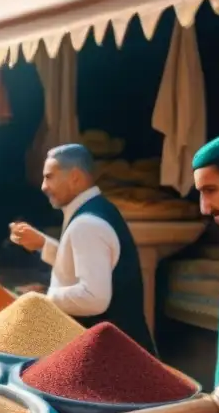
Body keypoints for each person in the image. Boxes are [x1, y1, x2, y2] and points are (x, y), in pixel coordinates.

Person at [9, 144, 155, 354]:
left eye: (49, 177)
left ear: (75, 177)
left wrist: (42, 298)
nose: (43, 186)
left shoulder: (87, 224)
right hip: (118, 349)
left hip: (112, 356)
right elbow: (87, 260)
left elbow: (93, 298)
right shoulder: (97, 209)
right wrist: (43, 245)